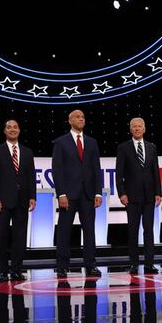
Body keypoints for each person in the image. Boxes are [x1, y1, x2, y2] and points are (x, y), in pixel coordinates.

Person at [51, 110, 104, 278]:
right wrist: (61, 194)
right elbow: (57, 170)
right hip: (69, 194)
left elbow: (96, 169)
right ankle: (62, 265)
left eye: (83, 117)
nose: (81, 119)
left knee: (89, 230)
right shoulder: (61, 142)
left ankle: (90, 265)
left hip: (88, 193)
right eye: (78, 117)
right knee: (64, 230)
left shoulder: (92, 142)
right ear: (70, 120)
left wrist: (98, 192)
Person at [0, 119, 37, 283]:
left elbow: (31, 176)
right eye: (9, 127)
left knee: (20, 237)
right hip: (2, 201)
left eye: (15, 127)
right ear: (4, 131)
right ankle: (2, 271)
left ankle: (16, 270)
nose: (12, 129)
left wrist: (32, 196)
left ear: (19, 130)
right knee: (1, 236)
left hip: (22, 201)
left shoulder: (27, 152)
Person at [116, 117, 162, 274]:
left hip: (149, 196)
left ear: (144, 129)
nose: (137, 129)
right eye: (134, 127)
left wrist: (158, 192)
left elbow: (155, 171)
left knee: (149, 230)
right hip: (132, 197)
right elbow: (119, 173)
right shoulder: (123, 148)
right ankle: (134, 263)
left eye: (139, 126)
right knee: (133, 230)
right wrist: (122, 193)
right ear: (130, 130)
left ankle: (149, 264)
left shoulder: (152, 147)